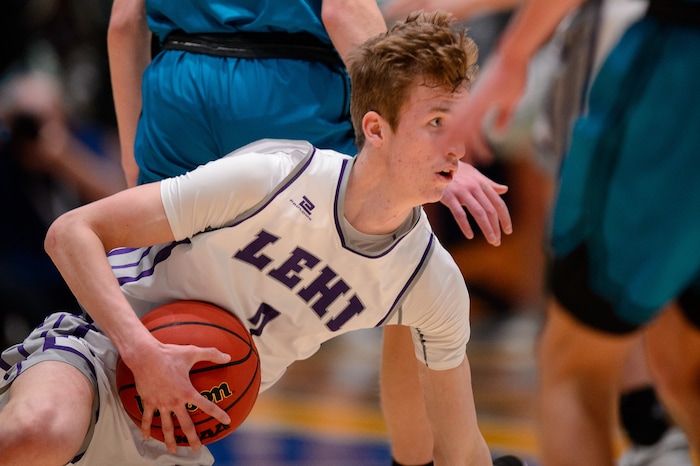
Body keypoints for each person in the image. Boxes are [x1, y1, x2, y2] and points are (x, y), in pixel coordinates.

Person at [0, 12, 525, 465]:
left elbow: (460, 447)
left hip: (182, 428)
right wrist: (142, 353)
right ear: (375, 128)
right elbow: (71, 232)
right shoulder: (277, 175)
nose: (456, 147)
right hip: (104, 350)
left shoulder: (430, 282)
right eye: (436, 122)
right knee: (39, 432)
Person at [446, 0, 700, 465]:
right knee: (685, 364)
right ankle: (654, 432)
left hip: (676, 74)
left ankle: (650, 433)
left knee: (574, 365)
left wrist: (515, 51)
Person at [0, 70, 125, 349]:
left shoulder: (86, 141)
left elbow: (121, 196)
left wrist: (64, 157)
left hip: (89, 268)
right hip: (29, 277)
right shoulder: (7, 159)